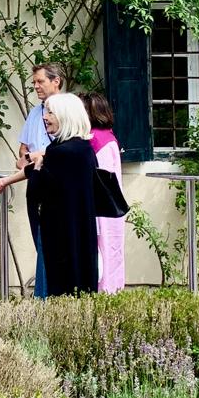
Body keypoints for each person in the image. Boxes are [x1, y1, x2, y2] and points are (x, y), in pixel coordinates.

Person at [34, 93, 100, 296]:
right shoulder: (84, 149)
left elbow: (39, 190)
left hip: (59, 233)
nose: (45, 117)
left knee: (58, 288)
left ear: (66, 116)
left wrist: (38, 167)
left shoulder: (58, 153)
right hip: (82, 229)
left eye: (51, 112)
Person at [17, 62, 67, 300]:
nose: (35, 86)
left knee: (54, 246)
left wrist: (42, 157)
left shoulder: (68, 110)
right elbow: (23, 149)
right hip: (35, 183)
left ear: (56, 81)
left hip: (57, 186)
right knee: (40, 243)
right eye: (34, 82)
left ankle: (53, 298)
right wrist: (27, 161)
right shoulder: (35, 112)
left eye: (40, 81)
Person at [83, 92, 126, 292]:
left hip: (101, 211)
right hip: (106, 209)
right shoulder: (106, 137)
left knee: (104, 256)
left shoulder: (97, 140)